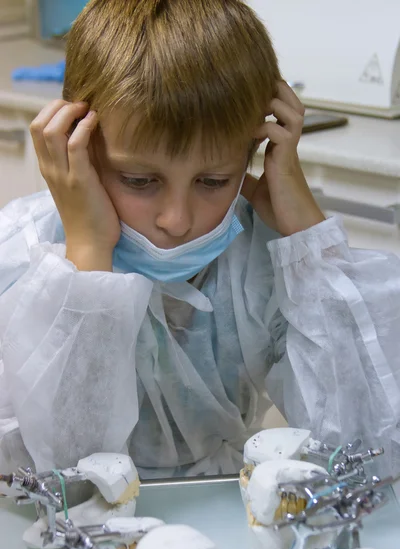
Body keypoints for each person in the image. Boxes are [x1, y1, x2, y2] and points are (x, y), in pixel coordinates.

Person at [1, 0, 400, 480]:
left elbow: (371, 451)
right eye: (139, 181)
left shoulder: (265, 257)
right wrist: (88, 254)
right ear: (75, 146)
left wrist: (309, 240)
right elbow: (57, 476)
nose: (176, 219)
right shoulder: (24, 255)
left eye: (212, 182)